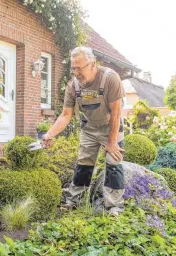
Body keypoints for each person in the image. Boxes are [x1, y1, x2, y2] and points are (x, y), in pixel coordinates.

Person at [42, 46, 126, 216]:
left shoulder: (110, 78)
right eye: (73, 68)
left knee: (113, 161)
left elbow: (116, 113)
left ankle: (114, 206)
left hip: (111, 126)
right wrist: (50, 134)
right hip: (89, 128)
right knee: (83, 163)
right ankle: (74, 200)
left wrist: (111, 142)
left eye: (79, 68)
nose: (76, 73)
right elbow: (65, 115)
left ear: (92, 64)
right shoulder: (73, 85)